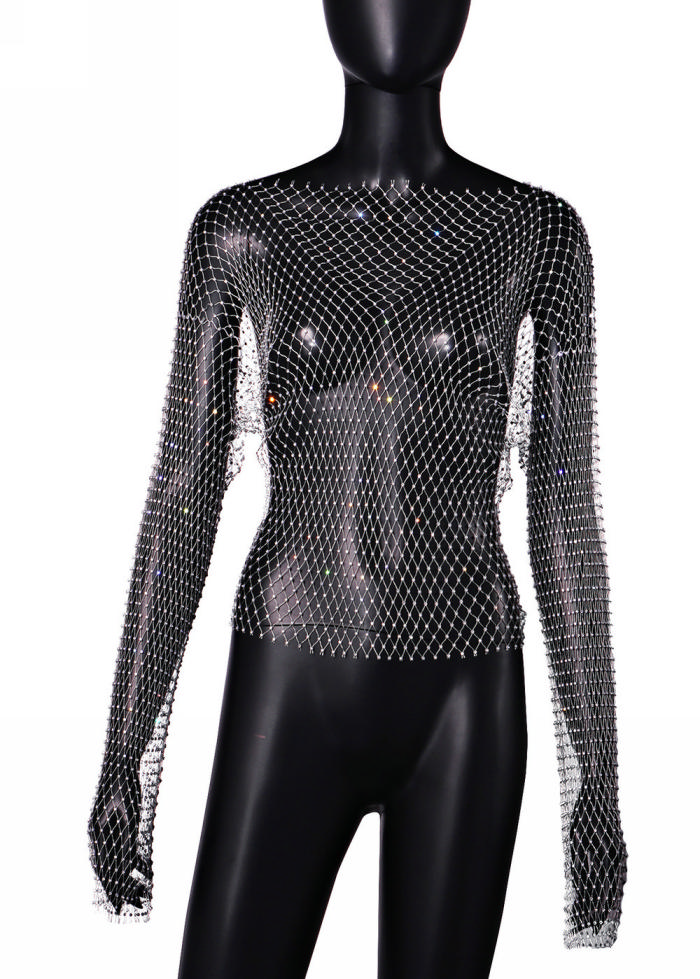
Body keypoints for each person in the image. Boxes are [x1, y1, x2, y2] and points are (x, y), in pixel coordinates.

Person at [87, 1, 627, 975]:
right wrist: (127, 750)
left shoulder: (536, 233)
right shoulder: (243, 230)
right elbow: (183, 491)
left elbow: (564, 513)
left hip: (463, 693)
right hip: (290, 677)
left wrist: (597, 784)